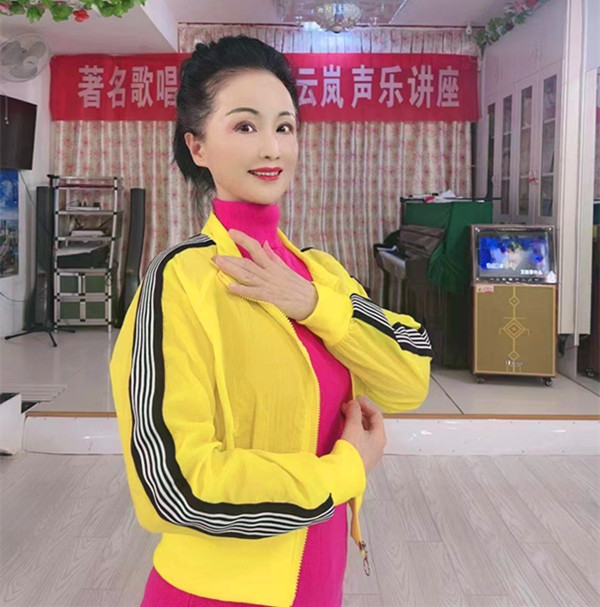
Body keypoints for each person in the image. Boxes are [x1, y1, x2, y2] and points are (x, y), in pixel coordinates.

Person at [110, 35, 432, 607]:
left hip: (321, 580)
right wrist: (344, 471)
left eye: (285, 127)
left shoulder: (319, 274)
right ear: (197, 146)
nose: (271, 148)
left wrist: (313, 304)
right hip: (216, 593)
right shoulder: (179, 282)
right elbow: (174, 489)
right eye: (244, 126)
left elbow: (410, 376)